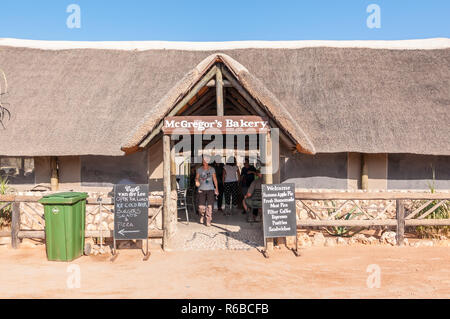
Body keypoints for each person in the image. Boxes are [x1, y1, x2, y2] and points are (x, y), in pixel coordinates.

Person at [195, 155, 219, 226]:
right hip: (201, 189)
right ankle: (202, 215)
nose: (204, 161)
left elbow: (215, 179)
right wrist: (196, 181)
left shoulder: (212, 169)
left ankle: (208, 220)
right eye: (203, 160)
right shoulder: (199, 169)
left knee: (210, 206)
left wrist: (216, 188)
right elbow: (196, 178)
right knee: (201, 207)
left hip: (210, 189)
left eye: (206, 160)